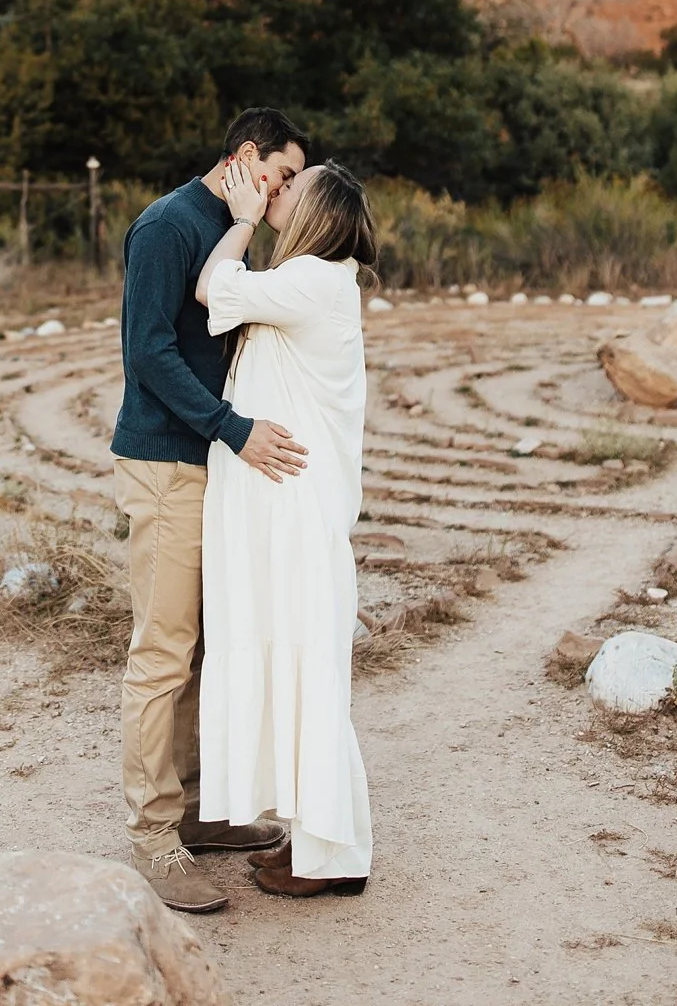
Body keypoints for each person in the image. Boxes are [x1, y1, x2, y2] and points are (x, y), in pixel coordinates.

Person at [111, 107, 311, 913]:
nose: (287, 190)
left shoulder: (232, 223)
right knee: (162, 651)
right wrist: (232, 429)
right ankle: (153, 836)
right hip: (167, 461)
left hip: (210, 465)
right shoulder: (167, 225)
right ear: (245, 155)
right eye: (284, 173)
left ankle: (196, 813)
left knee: (203, 648)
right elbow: (148, 349)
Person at [194, 157, 377, 897]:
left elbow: (212, 289)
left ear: (319, 213)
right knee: (286, 661)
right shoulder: (310, 279)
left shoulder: (314, 278)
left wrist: (238, 217)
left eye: (291, 187)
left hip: (294, 508)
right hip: (279, 502)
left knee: (304, 666)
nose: (277, 189)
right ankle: (310, 837)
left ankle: (333, 858)